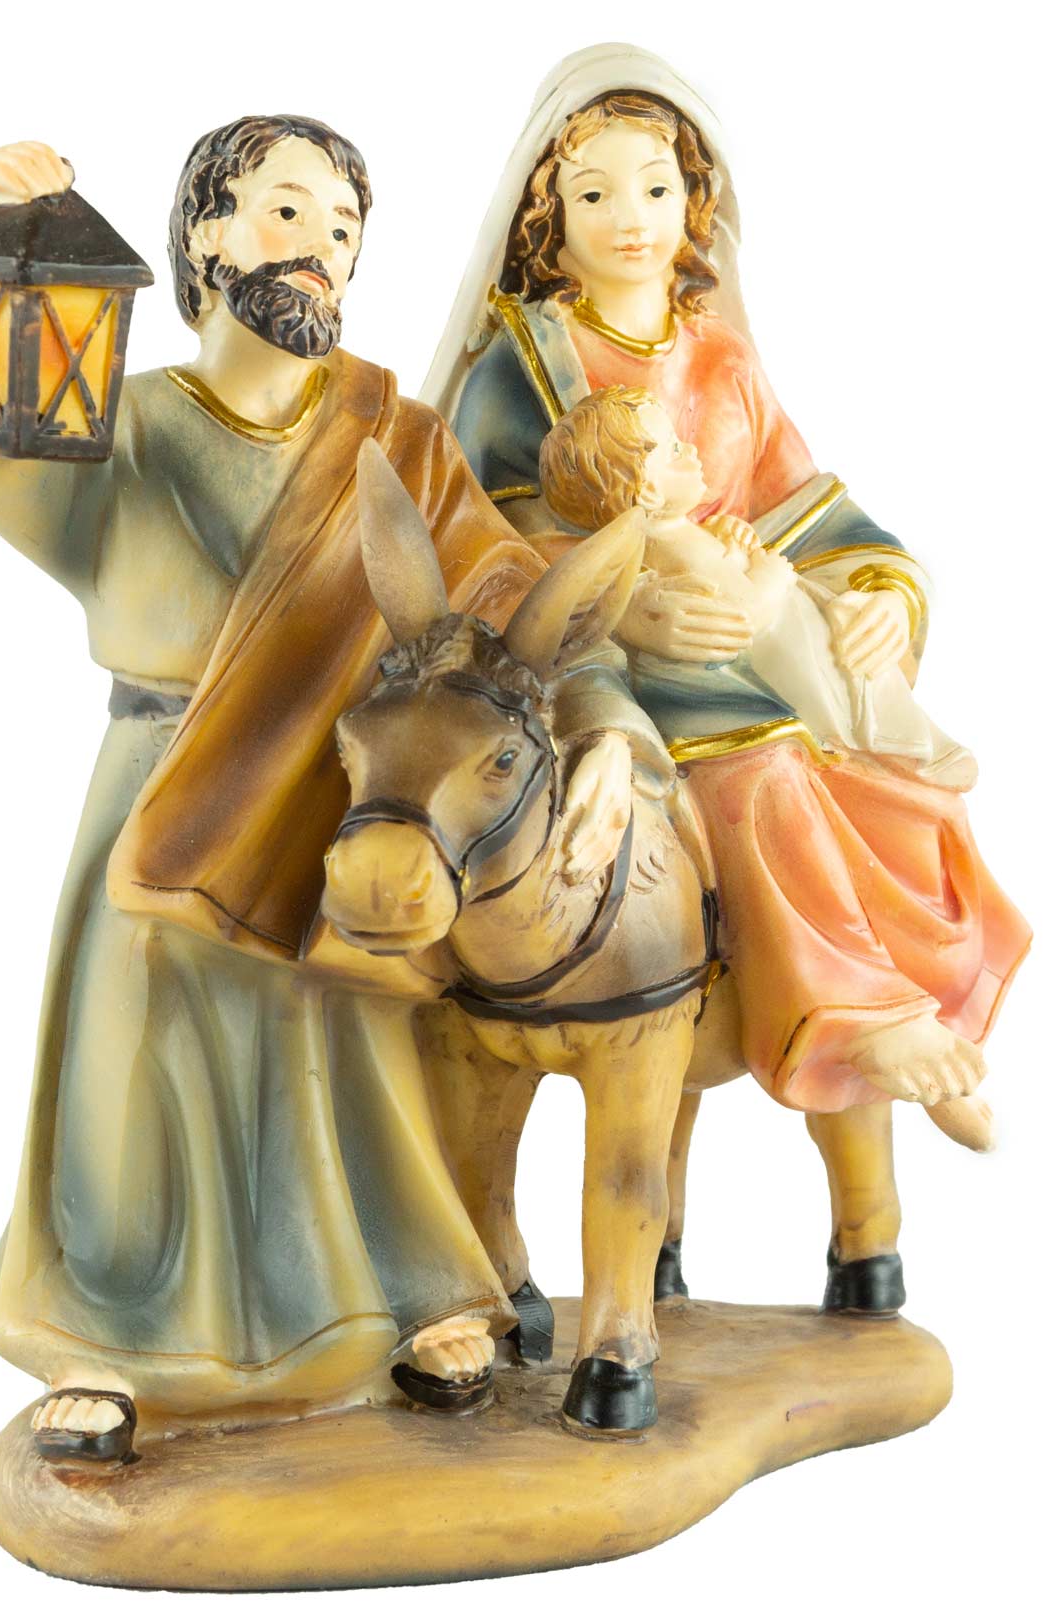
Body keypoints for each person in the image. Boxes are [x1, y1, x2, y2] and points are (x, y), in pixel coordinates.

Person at [0, 117, 660, 1458]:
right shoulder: (124, 423)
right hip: (163, 780)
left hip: (337, 791)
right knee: (132, 1067)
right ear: (206, 236)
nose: (321, 250)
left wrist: (604, 724)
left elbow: (512, 601)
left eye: (345, 230)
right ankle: (107, 1335)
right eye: (289, 212)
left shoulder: (395, 442)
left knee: (343, 1059)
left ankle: (400, 1296)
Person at [423, 44, 1030, 1308]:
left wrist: (879, 598)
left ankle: (881, 1065)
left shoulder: (721, 363)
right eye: (595, 192)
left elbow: (811, 510)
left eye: (656, 188)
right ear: (546, 211)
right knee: (760, 773)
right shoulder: (520, 368)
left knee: (868, 783)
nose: (630, 219)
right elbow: (476, 543)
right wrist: (628, 598)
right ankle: (853, 1018)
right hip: (586, 674)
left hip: (741, 662)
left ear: (694, 201)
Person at [540, 386, 974, 787]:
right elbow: (742, 614)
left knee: (859, 661)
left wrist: (732, 535)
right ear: (649, 493)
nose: (691, 449)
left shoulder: (678, 531)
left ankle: (915, 747)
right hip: (783, 650)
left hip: (790, 624)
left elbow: (735, 547)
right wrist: (772, 573)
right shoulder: (673, 553)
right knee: (851, 686)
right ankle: (916, 749)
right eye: (674, 450)